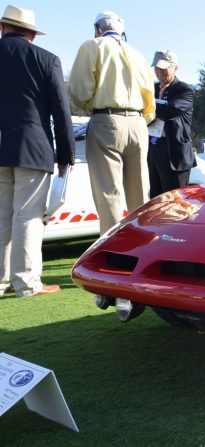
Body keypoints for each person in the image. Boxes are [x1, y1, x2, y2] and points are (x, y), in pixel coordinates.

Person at [0, 5, 74, 296]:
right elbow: (61, 112)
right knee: (28, 215)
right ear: (31, 34)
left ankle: (2, 280)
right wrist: (66, 155)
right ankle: (27, 283)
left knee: (2, 216)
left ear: (4, 27)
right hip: (33, 146)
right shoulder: (46, 59)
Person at [68, 11, 155, 234]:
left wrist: (91, 106)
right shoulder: (138, 55)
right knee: (141, 194)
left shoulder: (92, 46)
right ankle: (143, 247)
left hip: (106, 119)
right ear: (123, 31)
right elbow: (149, 99)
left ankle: (115, 255)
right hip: (138, 123)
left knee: (109, 195)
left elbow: (79, 90)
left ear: (97, 29)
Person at [148, 50, 195, 198]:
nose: (159, 71)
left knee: (176, 203)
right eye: (156, 67)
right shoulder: (150, 89)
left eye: (164, 67)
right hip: (153, 151)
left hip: (174, 154)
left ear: (176, 67)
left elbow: (170, 110)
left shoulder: (184, 90)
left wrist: (148, 105)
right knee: (155, 202)